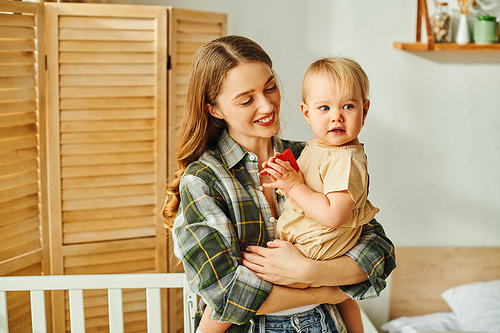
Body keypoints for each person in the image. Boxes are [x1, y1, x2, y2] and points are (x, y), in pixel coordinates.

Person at [162, 35, 396, 333]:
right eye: (246, 100)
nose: (267, 105)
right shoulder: (205, 181)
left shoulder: (314, 154)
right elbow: (225, 293)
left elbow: (377, 251)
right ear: (214, 109)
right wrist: (327, 289)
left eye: (270, 87)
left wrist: (310, 271)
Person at [258, 57, 378, 333]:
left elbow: (333, 215)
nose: (336, 116)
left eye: (348, 106)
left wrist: (292, 186)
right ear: (306, 112)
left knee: (248, 293)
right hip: (308, 244)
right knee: (342, 297)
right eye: (324, 107)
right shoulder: (318, 145)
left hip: (316, 249)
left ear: (365, 110)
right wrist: (289, 173)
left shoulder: (345, 159)